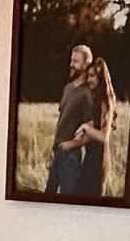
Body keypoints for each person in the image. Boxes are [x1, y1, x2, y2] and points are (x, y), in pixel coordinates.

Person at [47, 43, 110, 197]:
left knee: (68, 199)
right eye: (71, 60)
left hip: (72, 156)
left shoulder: (88, 94)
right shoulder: (67, 88)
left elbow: (90, 128)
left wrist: (69, 145)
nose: (71, 64)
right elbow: (61, 121)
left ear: (86, 64)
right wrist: (54, 149)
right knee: (48, 195)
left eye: (76, 61)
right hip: (58, 151)